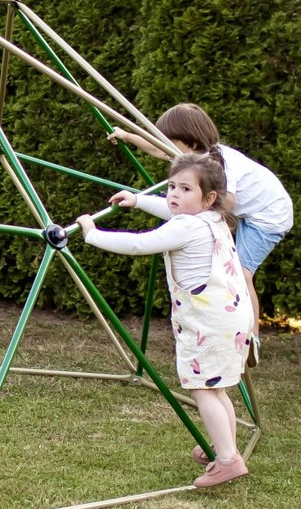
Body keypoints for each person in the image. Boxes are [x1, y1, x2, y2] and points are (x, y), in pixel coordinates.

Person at [75, 151, 252, 488]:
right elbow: (172, 211)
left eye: (185, 189)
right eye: (171, 186)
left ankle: (228, 460)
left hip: (206, 324)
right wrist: (140, 201)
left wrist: (92, 233)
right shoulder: (213, 218)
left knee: (202, 389)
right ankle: (224, 446)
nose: (173, 195)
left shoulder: (186, 227)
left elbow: (142, 244)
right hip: (232, 317)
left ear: (209, 197)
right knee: (218, 388)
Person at [109, 103, 292, 362]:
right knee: (225, 266)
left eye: (170, 140)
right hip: (247, 212)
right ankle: (229, 325)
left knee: (241, 273)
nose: (166, 147)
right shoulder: (194, 158)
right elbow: (159, 149)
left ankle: (251, 338)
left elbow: (227, 202)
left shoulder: (220, 162)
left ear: (189, 140)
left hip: (268, 216)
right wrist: (128, 136)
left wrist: (193, 214)